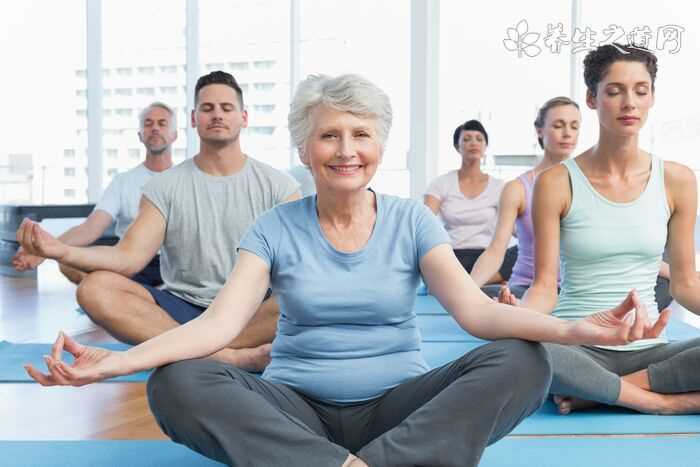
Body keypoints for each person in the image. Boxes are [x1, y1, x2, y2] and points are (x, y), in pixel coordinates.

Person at [24, 74, 663, 467]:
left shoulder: (413, 220)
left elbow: (478, 314)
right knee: (175, 384)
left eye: (361, 135)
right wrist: (108, 365)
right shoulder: (277, 225)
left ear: (380, 146)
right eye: (330, 136)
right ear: (306, 149)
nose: (347, 150)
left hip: (398, 407)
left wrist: (580, 330)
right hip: (295, 406)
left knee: (523, 359)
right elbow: (217, 325)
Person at [17, 71, 300, 371]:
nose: (217, 115)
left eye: (226, 108)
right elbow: (128, 257)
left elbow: (298, 266)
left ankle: (186, 348)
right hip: (184, 308)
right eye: (207, 108)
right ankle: (224, 357)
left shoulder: (279, 186)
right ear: (193, 119)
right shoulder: (163, 187)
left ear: (243, 117)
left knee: (296, 294)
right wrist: (60, 251)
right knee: (94, 288)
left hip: (249, 310)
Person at [518, 43, 700, 415]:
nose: (629, 103)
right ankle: (661, 403)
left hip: (649, 353)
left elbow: (685, 285)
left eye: (640, 90)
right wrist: (516, 319)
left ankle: (610, 392)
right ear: (591, 98)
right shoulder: (555, 182)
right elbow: (543, 286)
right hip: (577, 348)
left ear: (651, 98)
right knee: (522, 355)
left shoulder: (678, 179)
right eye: (614, 91)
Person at [12, 102, 177, 287]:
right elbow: (90, 228)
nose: (154, 128)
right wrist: (42, 250)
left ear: (174, 135)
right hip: (128, 261)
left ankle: (124, 294)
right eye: (148, 123)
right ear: (140, 135)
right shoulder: (122, 181)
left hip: (174, 264)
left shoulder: (186, 179)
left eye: (162, 123)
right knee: (68, 261)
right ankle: (113, 292)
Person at [470, 97, 580, 298]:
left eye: (574, 126)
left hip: (577, 292)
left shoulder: (590, 183)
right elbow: (496, 250)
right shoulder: (518, 188)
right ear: (539, 130)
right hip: (528, 289)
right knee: (489, 298)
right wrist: (465, 293)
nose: (567, 134)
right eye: (558, 125)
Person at [424, 120, 517, 287]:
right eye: (466, 139)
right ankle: (476, 282)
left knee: (521, 252)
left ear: (485, 146)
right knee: (427, 254)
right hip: (452, 257)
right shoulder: (440, 183)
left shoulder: (500, 187)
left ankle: (464, 283)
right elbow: (424, 221)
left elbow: (515, 229)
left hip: (488, 258)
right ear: (457, 146)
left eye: (479, 139)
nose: (473, 143)